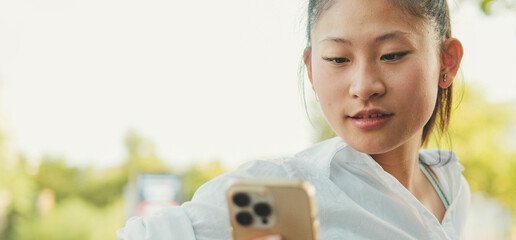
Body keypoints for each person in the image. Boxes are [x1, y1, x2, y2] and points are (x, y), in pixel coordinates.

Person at [117, 0, 468, 239]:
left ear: (447, 62)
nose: (364, 87)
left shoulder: (449, 185)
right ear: (311, 69)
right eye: (337, 59)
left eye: (392, 54)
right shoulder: (281, 187)